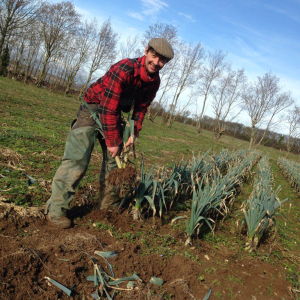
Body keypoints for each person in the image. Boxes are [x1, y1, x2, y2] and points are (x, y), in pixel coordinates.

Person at [45, 38, 174, 229]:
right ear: (146, 51)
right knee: (77, 161)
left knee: (115, 164)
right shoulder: (125, 68)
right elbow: (107, 107)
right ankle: (56, 210)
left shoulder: (154, 82)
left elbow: (141, 107)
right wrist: (113, 141)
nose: (156, 63)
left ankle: (107, 207)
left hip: (113, 114)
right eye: (154, 56)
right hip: (93, 110)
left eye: (162, 60)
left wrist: (134, 131)